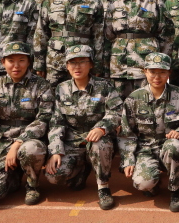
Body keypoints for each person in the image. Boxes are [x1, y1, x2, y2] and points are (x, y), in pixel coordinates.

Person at [0, 41, 54, 206]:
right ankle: (14, 176)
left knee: (31, 150)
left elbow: (44, 119)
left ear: (29, 62)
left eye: (21, 60)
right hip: (2, 140)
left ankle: (32, 185)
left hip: (30, 139)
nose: (16, 66)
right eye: (11, 61)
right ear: (3, 62)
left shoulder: (41, 85)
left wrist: (18, 143)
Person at [45, 45, 122, 210]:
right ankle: (82, 169)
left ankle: (103, 187)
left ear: (91, 64)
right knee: (54, 176)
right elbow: (57, 122)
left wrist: (102, 128)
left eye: (82, 62)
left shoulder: (104, 86)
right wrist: (56, 151)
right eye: (72, 62)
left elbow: (117, 112)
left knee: (99, 144)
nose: (77, 67)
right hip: (72, 141)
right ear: (67, 66)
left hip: (97, 139)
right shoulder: (61, 89)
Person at [120, 53, 179, 212]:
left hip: (169, 146)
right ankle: (154, 180)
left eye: (162, 72)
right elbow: (127, 133)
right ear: (145, 72)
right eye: (152, 71)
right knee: (143, 184)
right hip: (145, 149)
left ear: (169, 73)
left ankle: (175, 189)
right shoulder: (134, 98)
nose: (157, 76)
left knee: (174, 146)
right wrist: (128, 160)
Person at [104, 0, 173, 99]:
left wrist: (160, 63)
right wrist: (105, 66)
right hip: (119, 64)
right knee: (118, 102)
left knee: (145, 101)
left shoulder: (155, 1)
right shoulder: (112, 3)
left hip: (146, 64)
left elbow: (166, 34)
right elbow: (107, 36)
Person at [33, 0, 105, 87]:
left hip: (82, 60)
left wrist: (98, 64)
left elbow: (98, 36)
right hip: (55, 61)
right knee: (53, 94)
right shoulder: (49, 1)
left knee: (82, 94)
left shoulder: (95, 2)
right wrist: (39, 63)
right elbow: (41, 33)